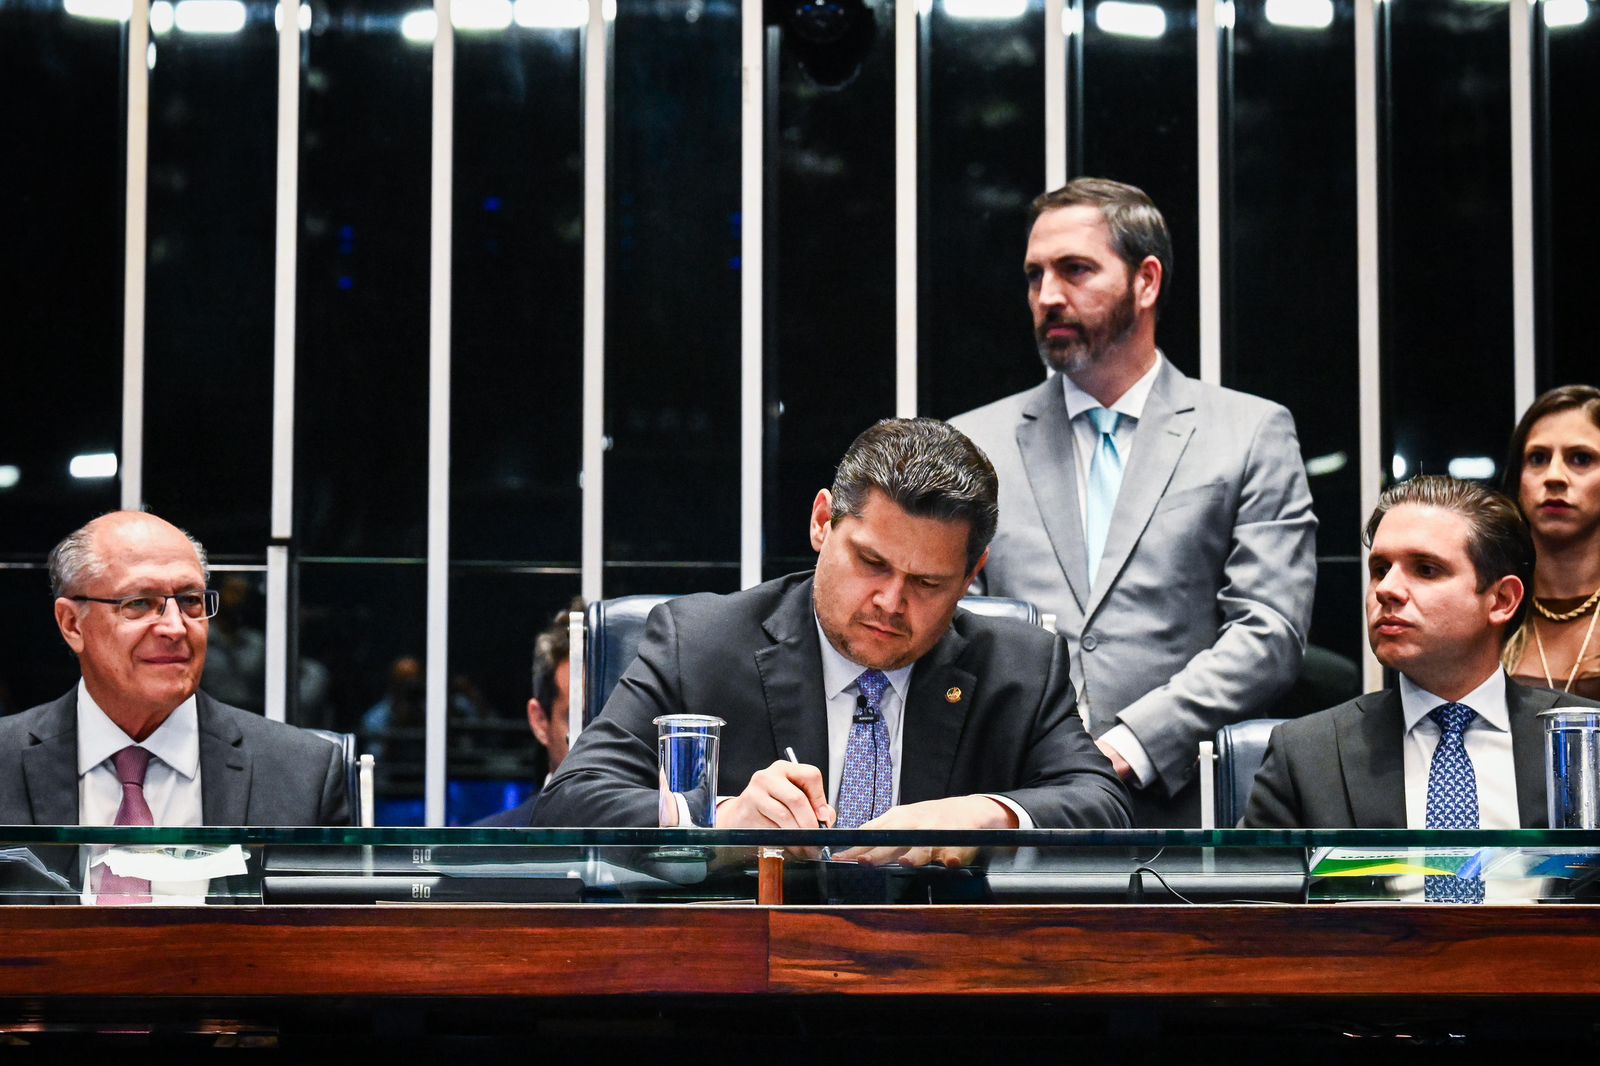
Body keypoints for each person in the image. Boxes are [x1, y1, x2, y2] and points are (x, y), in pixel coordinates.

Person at [533, 418, 1132, 860]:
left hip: (947, 973)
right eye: (871, 563)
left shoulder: (1020, 666)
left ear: (972, 575)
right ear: (823, 522)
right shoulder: (699, 643)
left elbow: (1104, 805)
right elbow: (568, 802)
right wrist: (722, 819)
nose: (891, 602)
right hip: (745, 968)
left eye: (927, 583)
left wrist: (987, 814)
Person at [949, 177, 1317, 827]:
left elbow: (1270, 630)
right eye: (1035, 275)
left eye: (1075, 270)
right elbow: (949, 621)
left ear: (1146, 281)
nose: (1048, 295)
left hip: (1186, 808)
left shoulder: (1249, 431)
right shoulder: (975, 442)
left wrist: (1132, 743)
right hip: (1010, 805)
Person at [1243, 477, 1600, 831]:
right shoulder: (1306, 754)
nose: (1386, 590)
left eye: (1426, 570)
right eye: (1380, 570)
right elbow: (1250, 872)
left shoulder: (1590, 738)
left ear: (1501, 600)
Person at [0, 512, 350, 829]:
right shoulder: (6, 759)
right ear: (72, 624)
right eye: (139, 603)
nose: (175, 627)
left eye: (190, 601)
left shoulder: (303, 773)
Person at [1501, 385, 1600, 699]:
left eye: (1581, 458)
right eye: (1538, 458)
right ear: (1518, 479)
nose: (1554, 476)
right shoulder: (1491, 607)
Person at [474, 598, 579, 827]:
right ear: (540, 721)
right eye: (576, 720)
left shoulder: (657, 839)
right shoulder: (489, 844)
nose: (598, 741)